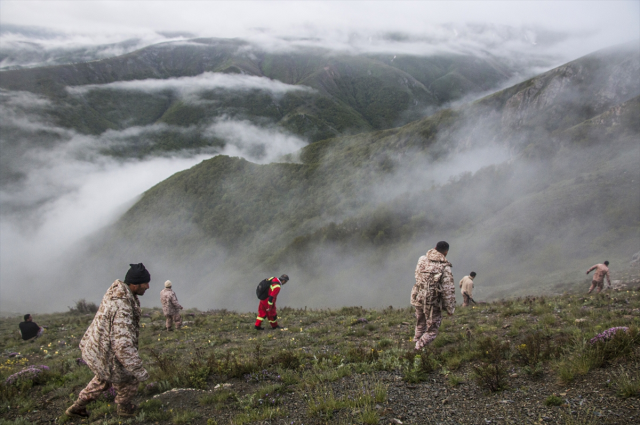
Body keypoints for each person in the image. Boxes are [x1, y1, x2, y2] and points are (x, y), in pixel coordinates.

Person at [65, 263, 151, 419]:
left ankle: (77, 407)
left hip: (97, 349)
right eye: (145, 283)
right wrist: (139, 371)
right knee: (129, 377)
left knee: (102, 379)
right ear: (134, 284)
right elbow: (122, 345)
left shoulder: (116, 293)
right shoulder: (122, 306)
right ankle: (125, 408)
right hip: (107, 352)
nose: (148, 286)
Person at [410, 241, 455, 350]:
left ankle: (416, 340)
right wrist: (450, 308)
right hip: (432, 300)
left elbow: (417, 276)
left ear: (435, 247)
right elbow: (448, 289)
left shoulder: (422, 259)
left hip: (418, 296)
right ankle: (417, 349)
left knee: (420, 322)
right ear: (446, 252)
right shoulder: (444, 266)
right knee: (432, 330)